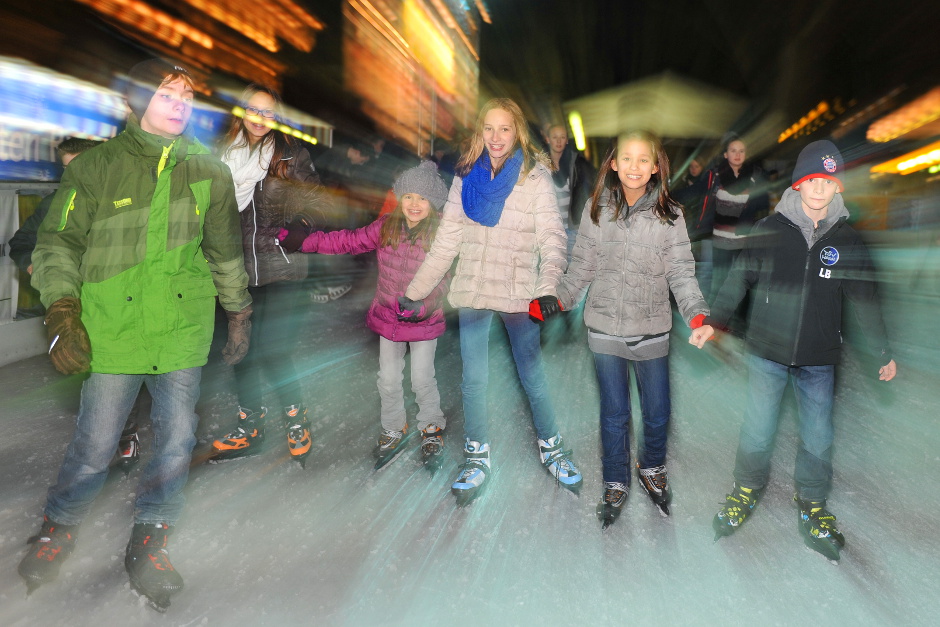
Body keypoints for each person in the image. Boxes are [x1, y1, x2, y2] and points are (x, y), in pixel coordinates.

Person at [19, 59, 252, 610]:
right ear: (134, 100)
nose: (179, 104)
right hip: (113, 329)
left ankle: (152, 536)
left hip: (181, 329)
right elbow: (58, 244)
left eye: (186, 95)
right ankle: (61, 523)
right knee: (96, 443)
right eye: (166, 94)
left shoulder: (208, 171)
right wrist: (62, 308)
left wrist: (239, 311)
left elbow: (223, 251)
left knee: (175, 443)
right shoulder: (96, 168)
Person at [695, 140, 897, 561]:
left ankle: (813, 504)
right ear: (798, 183)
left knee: (818, 435)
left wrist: (882, 351)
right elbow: (740, 279)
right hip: (768, 350)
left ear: (837, 187)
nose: (819, 188)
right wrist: (714, 322)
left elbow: (865, 299)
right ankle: (746, 490)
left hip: (819, 356)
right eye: (812, 180)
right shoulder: (770, 230)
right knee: (758, 425)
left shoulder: (849, 240)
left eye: (828, 181)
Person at [402, 98, 582, 505]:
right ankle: (476, 454)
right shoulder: (465, 178)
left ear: (516, 131)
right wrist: (415, 291)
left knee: (532, 374)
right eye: (488, 128)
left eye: (504, 129)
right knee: (474, 379)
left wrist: (547, 287)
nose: (496, 137)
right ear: (479, 132)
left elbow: (552, 239)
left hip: (520, 294)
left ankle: (552, 447)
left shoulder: (534, 178)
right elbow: (446, 241)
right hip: (474, 290)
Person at [552, 131, 709, 526]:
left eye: (645, 160)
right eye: (628, 158)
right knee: (614, 412)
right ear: (614, 163)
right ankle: (616, 478)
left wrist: (696, 314)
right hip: (604, 327)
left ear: (656, 166)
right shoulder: (596, 209)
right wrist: (560, 297)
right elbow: (583, 264)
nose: (635, 167)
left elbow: (681, 272)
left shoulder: (670, 215)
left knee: (657, 412)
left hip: (651, 327)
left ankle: (652, 465)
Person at [280, 161, 450, 468]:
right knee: (387, 379)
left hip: (424, 320)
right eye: (409, 196)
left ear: (434, 203)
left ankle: (431, 427)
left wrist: (422, 307)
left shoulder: (441, 236)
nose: (414, 204)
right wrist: (306, 242)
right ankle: (393, 427)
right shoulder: (386, 225)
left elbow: (444, 281)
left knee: (422, 379)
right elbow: (348, 240)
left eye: (422, 199)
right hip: (389, 319)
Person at [209, 84, 328, 468]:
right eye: (252, 109)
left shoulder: (291, 156)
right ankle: (251, 426)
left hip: (281, 267)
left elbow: (319, 200)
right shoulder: (219, 156)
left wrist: (302, 225)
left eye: (268, 111)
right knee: (240, 351)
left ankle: (296, 419)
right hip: (234, 271)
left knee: (275, 350)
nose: (259, 118)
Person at [9, 136, 143, 473]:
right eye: (65, 168)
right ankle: (96, 438)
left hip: (113, 306)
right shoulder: (54, 203)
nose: (71, 174)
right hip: (70, 308)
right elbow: (22, 242)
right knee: (80, 375)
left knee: (117, 373)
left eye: (77, 167)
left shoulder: (122, 204)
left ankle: (125, 433)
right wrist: (31, 262)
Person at [702, 135, 768, 309]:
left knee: (743, 281)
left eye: (741, 151)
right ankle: (715, 321)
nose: (737, 154)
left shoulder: (755, 175)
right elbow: (700, 196)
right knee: (719, 281)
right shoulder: (716, 175)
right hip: (721, 238)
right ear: (726, 154)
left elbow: (763, 204)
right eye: (733, 151)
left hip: (745, 239)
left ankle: (740, 323)